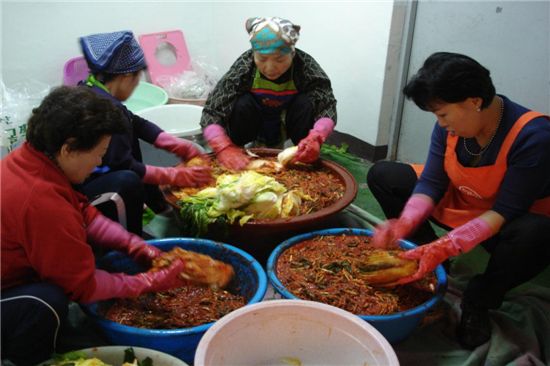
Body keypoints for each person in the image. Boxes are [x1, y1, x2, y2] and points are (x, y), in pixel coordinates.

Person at [367, 52, 550, 349]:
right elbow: (433, 181)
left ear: (474, 101)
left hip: (505, 220)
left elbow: (507, 209)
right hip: (464, 202)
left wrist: (449, 243)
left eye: (442, 115)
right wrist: (406, 221)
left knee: (537, 235)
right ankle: (433, 260)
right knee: (385, 175)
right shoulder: (452, 127)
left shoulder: (535, 136)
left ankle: (479, 300)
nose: (440, 124)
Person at [0, 86, 187, 365]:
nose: (100, 161)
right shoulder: (41, 201)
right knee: (47, 301)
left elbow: (84, 212)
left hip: (17, 266)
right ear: (69, 148)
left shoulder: (32, 157)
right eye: (98, 153)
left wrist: (131, 243)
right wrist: (149, 282)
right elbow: (82, 287)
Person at [78, 30, 212, 235]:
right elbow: (126, 166)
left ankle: (161, 208)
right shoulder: (103, 110)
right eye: (137, 79)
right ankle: (130, 235)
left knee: (143, 167)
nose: (136, 85)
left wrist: (175, 143)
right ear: (125, 77)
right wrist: (174, 175)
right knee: (131, 179)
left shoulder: (92, 89)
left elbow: (136, 122)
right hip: (86, 191)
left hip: (104, 172)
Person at [200, 17, 337, 170]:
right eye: (262, 59)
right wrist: (223, 147)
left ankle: (301, 151)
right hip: (254, 117)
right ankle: (237, 151)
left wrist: (316, 137)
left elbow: (327, 107)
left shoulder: (305, 67)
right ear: (254, 54)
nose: (270, 68)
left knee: (305, 103)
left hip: (288, 118)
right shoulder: (244, 67)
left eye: (279, 59)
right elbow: (212, 110)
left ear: (292, 53)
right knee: (241, 103)